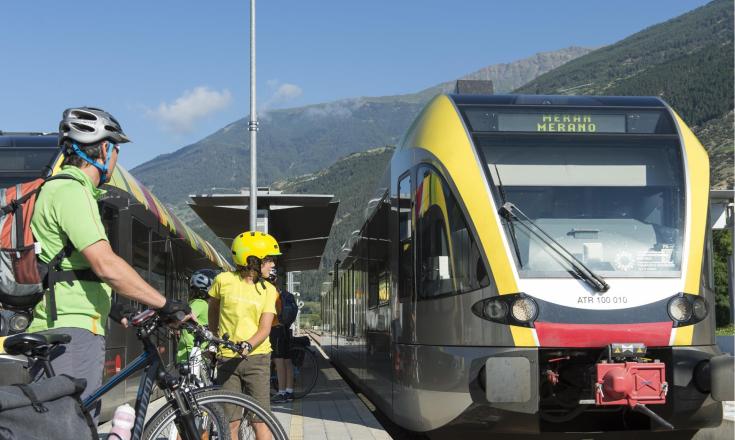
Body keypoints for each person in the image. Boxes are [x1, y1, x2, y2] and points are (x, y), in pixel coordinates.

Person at [28, 107, 191, 421]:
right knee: (73, 426)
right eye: (116, 149)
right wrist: (165, 303)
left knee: (74, 423)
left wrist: (117, 309)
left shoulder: (68, 190)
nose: (116, 157)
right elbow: (105, 264)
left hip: (71, 326)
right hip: (69, 333)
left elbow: (71, 268)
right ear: (103, 148)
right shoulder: (70, 191)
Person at [208, 231, 281, 440]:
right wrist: (214, 338)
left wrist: (248, 345)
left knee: (260, 422)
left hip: (257, 359)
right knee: (230, 422)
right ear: (252, 260)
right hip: (227, 359)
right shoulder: (223, 281)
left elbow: (265, 328)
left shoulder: (268, 289)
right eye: (268, 260)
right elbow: (213, 309)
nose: (272, 265)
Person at [176, 269, 218, 372]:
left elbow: (187, 316)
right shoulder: (201, 303)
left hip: (193, 354)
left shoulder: (200, 303)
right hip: (195, 354)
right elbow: (187, 316)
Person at [267, 271, 295, 404]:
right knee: (287, 360)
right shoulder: (278, 290)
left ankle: (282, 392)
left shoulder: (270, 292)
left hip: (276, 329)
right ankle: (289, 391)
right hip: (284, 329)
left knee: (279, 361)